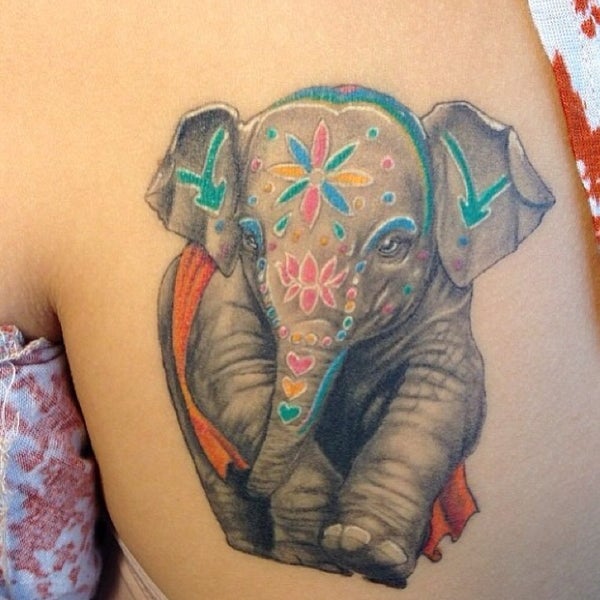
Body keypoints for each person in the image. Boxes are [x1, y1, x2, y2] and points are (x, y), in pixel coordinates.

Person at [1, 2, 598, 598]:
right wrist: (299, 486)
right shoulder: (229, 279)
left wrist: (387, 499)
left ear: (463, 212)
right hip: (252, 440)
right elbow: (228, 373)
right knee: (273, 504)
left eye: (392, 243)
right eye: (253, 237)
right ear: (219, 209)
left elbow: (442, 392)